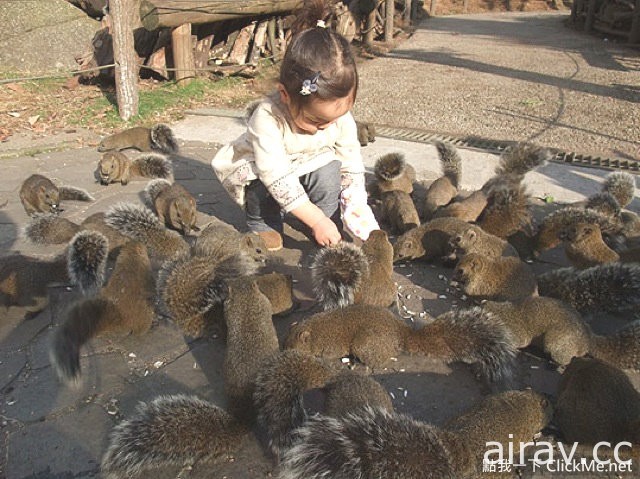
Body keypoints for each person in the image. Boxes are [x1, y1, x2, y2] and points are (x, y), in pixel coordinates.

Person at [211, 0, 378, 251]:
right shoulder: (267, 118)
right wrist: (316, 219)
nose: (327, 127)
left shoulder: (338, 118)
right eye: (316, 120)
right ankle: (263, 223)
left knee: (330, 171)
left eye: (335, 119)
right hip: (267, 171)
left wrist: (356, 205)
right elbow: (276, 175)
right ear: (286, 95)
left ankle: (325, 218)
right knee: (260, 183)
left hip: (311, 162)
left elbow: (350, 159)